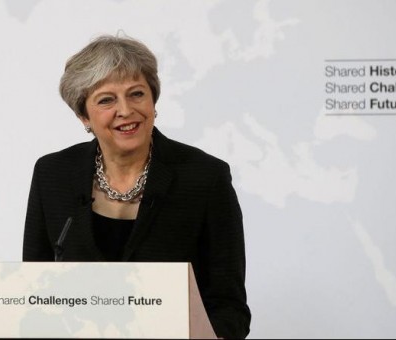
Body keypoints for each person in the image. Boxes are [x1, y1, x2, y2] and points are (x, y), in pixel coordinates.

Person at [22, 34, 251, 338]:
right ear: (83, 116)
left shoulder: (206, 177)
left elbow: (229, 306)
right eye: (106, 100)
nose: (126, 111)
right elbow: (33, 293)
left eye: (136, 94)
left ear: (154, 101)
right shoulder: (52, 174)